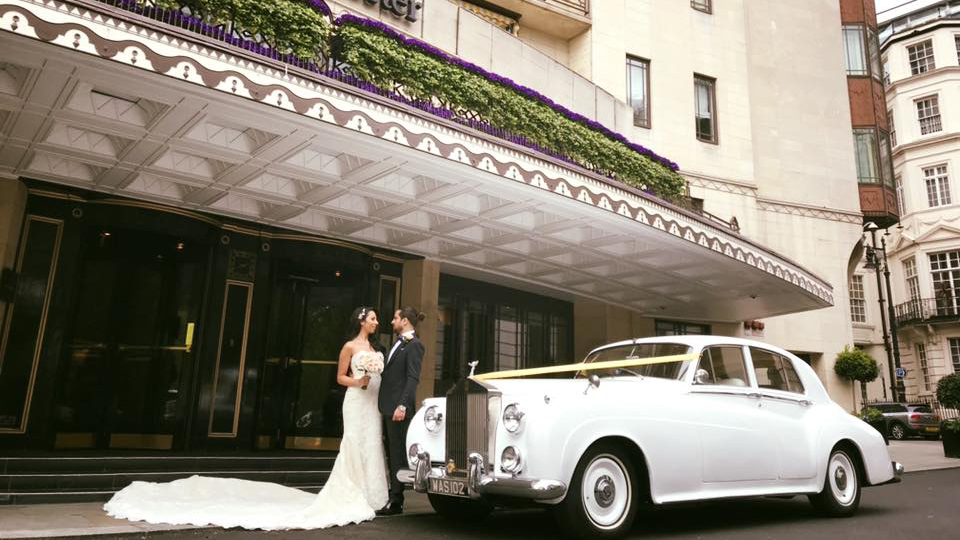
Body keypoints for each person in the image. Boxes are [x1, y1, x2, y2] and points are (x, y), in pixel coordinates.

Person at [102, 307, 388, 530]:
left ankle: (373, 493)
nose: (377, 322)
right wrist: (358, 382)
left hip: (371, 404)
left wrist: (373, 378)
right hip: (355, 401)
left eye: (376, 319)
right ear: (362, 321)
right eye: (373, 318)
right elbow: (340, 377)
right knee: (353, 443)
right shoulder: (349, 347)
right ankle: (351, 491)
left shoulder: (375, 350)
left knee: (371, 444)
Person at [375, 307, 425, 516]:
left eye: (395, 318)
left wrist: (402, 405)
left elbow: (413, 378)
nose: (392, 322)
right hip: (387, 405)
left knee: (397, 453)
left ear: (404, 321)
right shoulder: (397, 343)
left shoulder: (415, 345)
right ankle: (392, 494)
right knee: (391, 451)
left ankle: (397, 500)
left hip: (399, 408)